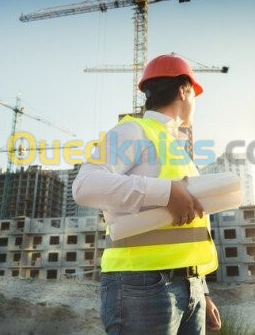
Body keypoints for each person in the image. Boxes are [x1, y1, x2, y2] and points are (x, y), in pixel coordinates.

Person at [72, 54, 222, 334]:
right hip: (142, 288)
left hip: (188, 288)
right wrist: (165, 192)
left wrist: (202, 291)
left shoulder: (177, 148)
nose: (195, 103)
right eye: (194, 95)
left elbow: (189, 228)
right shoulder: (134, 131)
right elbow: (85, 185)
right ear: (183, 89)